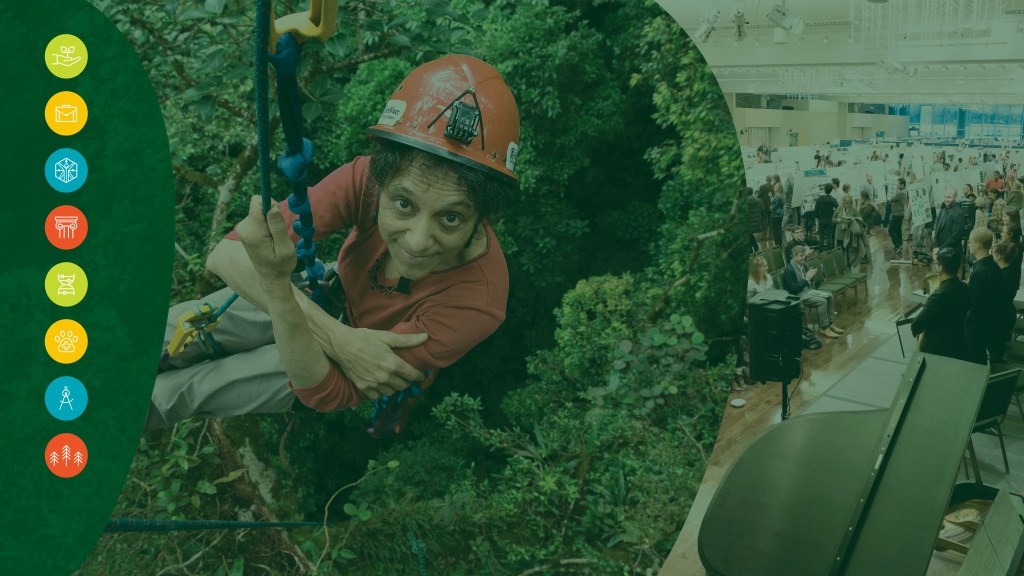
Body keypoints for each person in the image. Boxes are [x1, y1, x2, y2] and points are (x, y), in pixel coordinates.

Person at [148, 55, 519, 434]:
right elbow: (226, 255)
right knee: (166, 328)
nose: (419, 241)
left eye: (451, 218)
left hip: (325, 361)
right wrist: (340, 337)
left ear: (482, 216)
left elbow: (326, 392)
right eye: (404, 205)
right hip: (326, 294)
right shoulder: (367, 179)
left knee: (183, 392)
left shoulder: (477, 301)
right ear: (381, 180)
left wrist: (300, 313)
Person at [910, 247, 970, 362]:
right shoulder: (965, 288)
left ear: (940, 268)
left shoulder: (939, 295)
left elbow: (917, 324)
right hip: (960, 344)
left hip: (939, 350)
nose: (936, 266)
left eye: (937, 263)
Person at [782, 245, 845, 339]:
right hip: (797, 296)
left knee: (829, 296)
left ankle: (830, 323)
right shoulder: (789, 270)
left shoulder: (803, 265)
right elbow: (794, 289)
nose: (803, 257)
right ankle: (824, 328)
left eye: (804, 255)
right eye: (801, 255)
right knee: (822, 301)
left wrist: (811, 277)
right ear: (794, 256)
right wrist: (807, 278)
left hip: (807, 291)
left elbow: (809, 282)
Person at [966, 229, 1003, 365]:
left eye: (970, 241)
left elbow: (974, 303)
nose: (969, 244)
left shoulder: (980, 271)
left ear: (978, 245)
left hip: (978, 324)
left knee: (976, 360)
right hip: (991, 321)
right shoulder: (993, 266)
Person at [992, 242, 1019, 357]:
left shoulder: (1000, 276)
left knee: (996, 351)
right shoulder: (1012, 270)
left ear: (998, 256)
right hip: (1008, 313)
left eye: (993, 255)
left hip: (1000, 317)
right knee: (1000, 346)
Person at [835, 192, 869, 266]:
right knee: (840, 252)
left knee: (849, 253)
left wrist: (853, 219)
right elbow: (833, 219)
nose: (847, 205)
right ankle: (841, 268)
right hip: (839, 234)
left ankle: (849, 267)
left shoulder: (854, 210)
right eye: (845, 203)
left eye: (848, 203)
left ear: (851, 203)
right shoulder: (839, 208)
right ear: (843, 202)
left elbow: (860, 219)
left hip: (849, 235)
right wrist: (839, 220)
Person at [932, 189, 967, 259]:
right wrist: (936, 246)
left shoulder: (958, 213)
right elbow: (937, 230)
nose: (946, 199)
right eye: (945, 197)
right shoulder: (942, 211)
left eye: (949, 197)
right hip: (940, 251)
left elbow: (955, 237)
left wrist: (940, 248)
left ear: (955, 198)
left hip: (952, 253)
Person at [815, 183, 839, 250]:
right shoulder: (833, 199)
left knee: (821, 236)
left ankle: (820, 251)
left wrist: (819, 217)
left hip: (821, 219)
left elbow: (816, 211)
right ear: (831, 190)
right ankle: (830, 251)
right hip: (830, 219)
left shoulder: (819, 199)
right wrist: (833, 215)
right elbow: (838, 208)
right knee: (829, 236)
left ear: (824, 189)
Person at [888, 177, 907, 257]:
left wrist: (892, 201)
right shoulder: (904, 191)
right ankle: (900, 244)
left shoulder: (900, 193)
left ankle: (897, 245)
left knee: (891, 229)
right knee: (897, 229)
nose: (896, 185)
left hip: (897, 214)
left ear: (902, 185)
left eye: (898, 184)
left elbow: (891, 199)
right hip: (900, 213)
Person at [748, 186, 763, 253]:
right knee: (750, 235)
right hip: (757, 222)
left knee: (748, 235)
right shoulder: (758, 200)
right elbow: (762, 210)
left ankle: (750, 251)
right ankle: (756, 248)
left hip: (749, 222)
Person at [770, 179, 784, 247]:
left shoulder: (776, 196)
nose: (774, 187)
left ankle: (777, 245)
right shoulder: (782, 195)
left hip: (775, 215)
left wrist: (770, 197)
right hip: (780, 214)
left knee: (776, 231)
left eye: (775, 186)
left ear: (778, 188)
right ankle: (780, 243)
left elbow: (772, 207)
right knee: (779, 229)